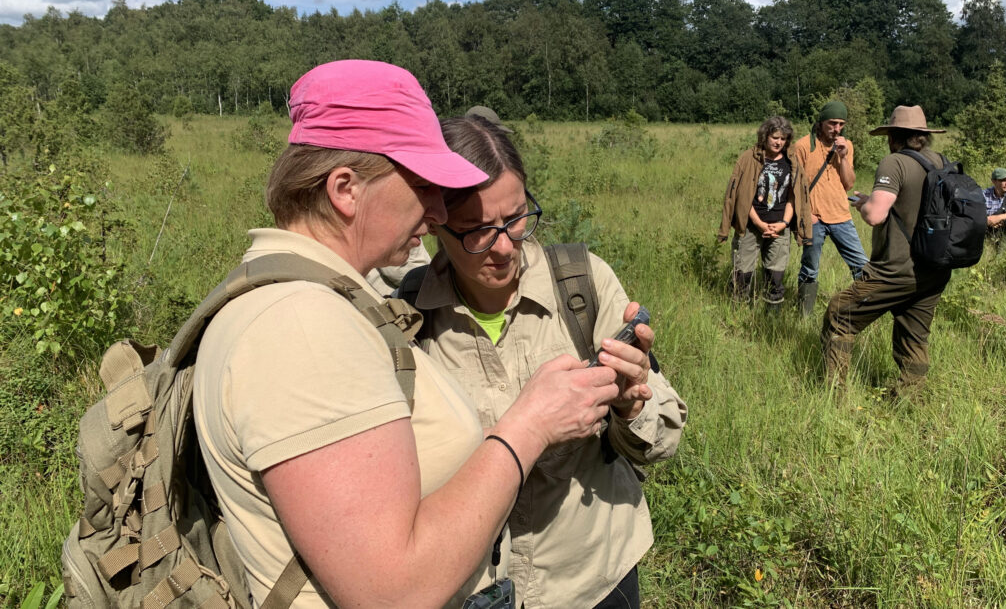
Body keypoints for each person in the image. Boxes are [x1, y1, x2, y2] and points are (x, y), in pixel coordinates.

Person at [191, 60, 625, 608]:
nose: (439, 210)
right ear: (345, 189)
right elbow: (393, 593)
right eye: (424, 185)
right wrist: (530, 423)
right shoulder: (302, 326)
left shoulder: (315, 298)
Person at [403, 115, 687, 608]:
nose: (506, 247)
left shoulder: (580, 282)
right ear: (434, 225)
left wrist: (629, 404)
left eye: (516, 219)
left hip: (594, 575)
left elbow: (663, 437)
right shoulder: (408, 318)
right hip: (472, 587)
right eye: (477, 232)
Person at [821, 105, 952, 400]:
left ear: (894, 136)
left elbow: (875, 215)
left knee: (839, 314)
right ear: (922, 135)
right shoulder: (940, 161)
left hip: (895, 270)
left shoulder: (894, 162)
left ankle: (834, 396)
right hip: (934, 270)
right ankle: (909, 399)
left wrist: (865, 204)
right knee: (914, 336)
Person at [716, 116, 812, 309]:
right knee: (742, 275)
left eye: (783, 139)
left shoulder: (791, 161)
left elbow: (795, 197)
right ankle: (738, 314)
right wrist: (760, 224)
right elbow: (742, 197)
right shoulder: (748, 158)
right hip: (750, 226)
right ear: (765, 136)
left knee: (775, 277)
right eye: (775, 137)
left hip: (779, 228)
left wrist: (784, 223)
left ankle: (771, 319)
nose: (778, 142)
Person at [792, 101, 869, 315]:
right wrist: (807, 216)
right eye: (832, 123)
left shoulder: (847, 146)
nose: (836, 129)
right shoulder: (802, 146)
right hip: (814, 218)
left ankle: (865, 311)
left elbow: (849, 184)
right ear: (821, 121)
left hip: (841, 215)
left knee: (861, 266)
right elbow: (795, 186)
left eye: (841, 124)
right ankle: (804, 315)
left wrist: (843, 157)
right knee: (810, 269)